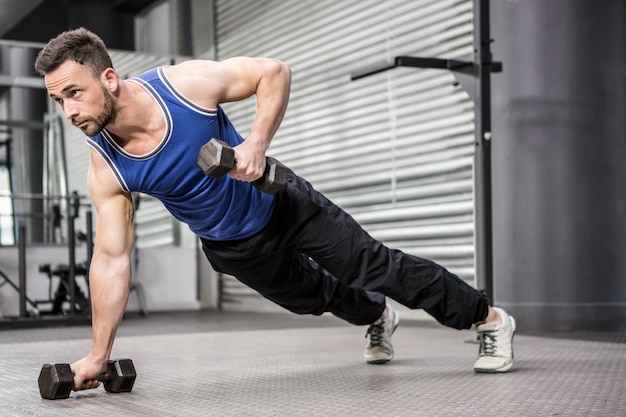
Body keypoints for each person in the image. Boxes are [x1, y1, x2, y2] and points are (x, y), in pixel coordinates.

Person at [34, 27, 516, 392]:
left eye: (74, 93)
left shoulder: (184, 87)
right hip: (233, 248)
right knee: (313, 298)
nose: (69, 111)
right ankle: (376, 317)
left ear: (110, 79)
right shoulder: (107, 169)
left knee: (372, 264)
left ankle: (486, 318)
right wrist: (99, 355)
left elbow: (274, 71)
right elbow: (112, 259)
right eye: (58, 100)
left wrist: (257, 143)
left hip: (281, 202)